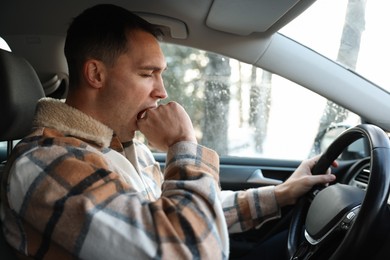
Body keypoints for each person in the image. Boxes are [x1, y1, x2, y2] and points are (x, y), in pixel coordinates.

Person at [0, 4, 336, 259]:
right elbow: (192, 248)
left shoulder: (126, 148)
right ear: (95, 74)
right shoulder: (46, 162)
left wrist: (282, 194)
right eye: (148, 74)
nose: (162, 91)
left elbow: (182, 208)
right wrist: (182, 144)